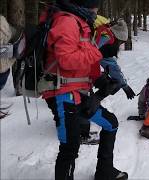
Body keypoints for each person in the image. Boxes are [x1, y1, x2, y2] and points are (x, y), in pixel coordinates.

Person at [41, 0, 128, 179]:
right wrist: (98, 52)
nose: (98, 10)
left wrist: (101, 80)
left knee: (110, 123)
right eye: (97, 5)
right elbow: (66, 59)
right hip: (63, 94)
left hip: (79, 93)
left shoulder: (82, 23)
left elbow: (86, 60)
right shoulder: (66, 21)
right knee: (70, 146)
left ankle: (105, 171)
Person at [79, 16, 136, 145]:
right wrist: (124, 85)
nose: (120, 45)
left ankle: (84, 123)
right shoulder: (108, 39)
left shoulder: (104, 33)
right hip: (81, 73)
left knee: (103, 88)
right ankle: (81, 134)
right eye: (121, 42)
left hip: (85, 71)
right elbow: (110, 65)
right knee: (85, 100)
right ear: (119, 37)